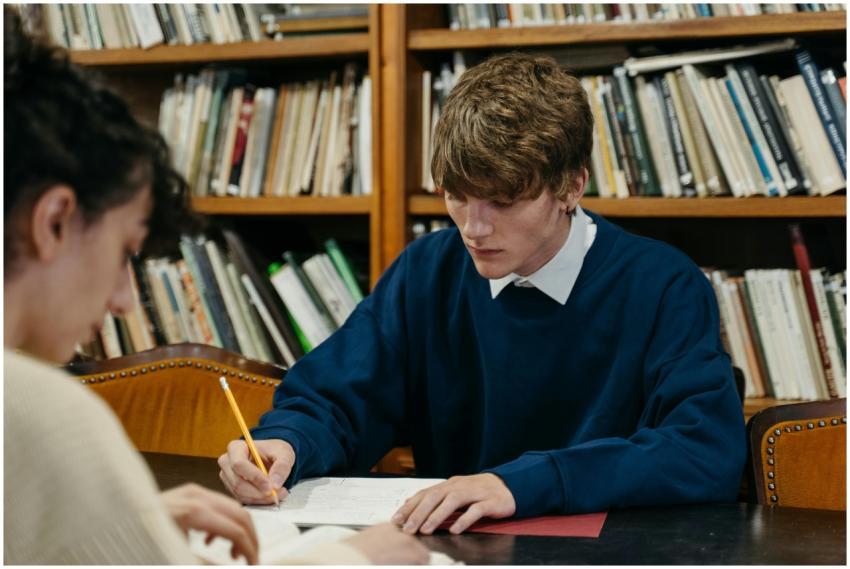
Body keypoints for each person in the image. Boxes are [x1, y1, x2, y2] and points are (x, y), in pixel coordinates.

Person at [218, 53, 746, 534]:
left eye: (502, 201)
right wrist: (285, 443)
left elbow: (702, 450)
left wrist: (522, 484)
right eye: (456, 196)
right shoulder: (429, 269)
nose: (473, 228)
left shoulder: (663, 285)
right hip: (453, 549)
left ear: (571, 187)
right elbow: (336, 396)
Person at [2, 9, 428, 565]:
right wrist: (355, 558)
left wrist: (116, 530)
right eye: (123, 251)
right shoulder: (41, 412)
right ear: (54, 221)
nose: (125, 300)